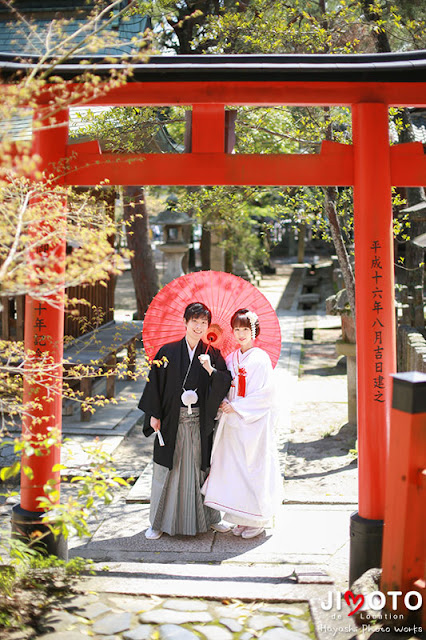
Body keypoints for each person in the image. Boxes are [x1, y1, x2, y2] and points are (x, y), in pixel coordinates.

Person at [139, 302, 232, 539]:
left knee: (201, 470)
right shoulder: (167, 352)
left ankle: (211, 519)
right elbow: (155, 386)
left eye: (203, 322)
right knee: (168, 470)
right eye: (195, 321)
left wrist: (211, 370)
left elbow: (224, 380)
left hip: (200, 423)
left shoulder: (212, 354)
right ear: (185, 322)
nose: (199, 327)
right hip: (172, 420)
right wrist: (154, 414)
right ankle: (157, 523)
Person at [202, 308, 282, 539]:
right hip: (232, 421)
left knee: (253, 467)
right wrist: (224, 401)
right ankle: (239, 518)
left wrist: (237, 407)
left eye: (245, 329)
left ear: (254, 331)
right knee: (233, 469)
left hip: (253, 422)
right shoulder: (230, 358)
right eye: (236, 329)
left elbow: (266, 394)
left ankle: (256, 519)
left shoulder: (261, 359)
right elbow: (224, 385)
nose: (240, 334)